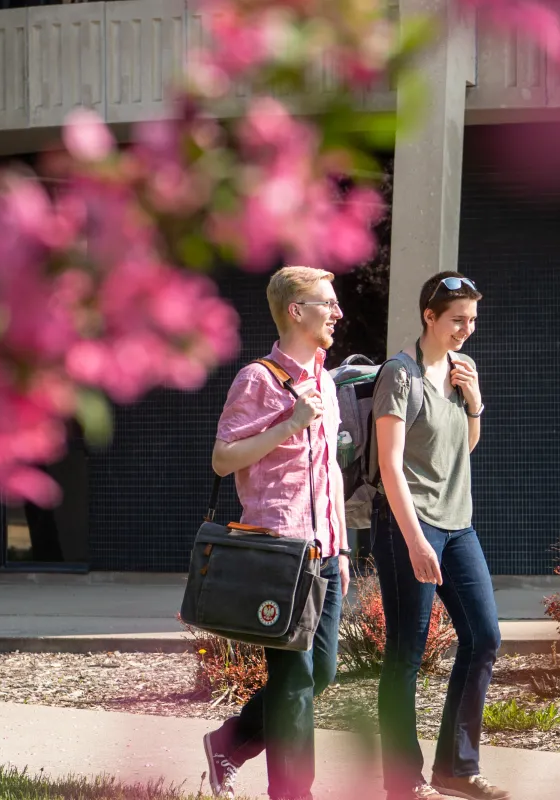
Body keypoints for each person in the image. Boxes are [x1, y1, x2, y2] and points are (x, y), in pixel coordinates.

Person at [202, 266, 350, 800]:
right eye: (327, 304)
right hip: (281, 553)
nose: (337, 313)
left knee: (323, 672)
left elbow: (329, 471)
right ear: (296, 311)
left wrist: (343, 549)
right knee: (294, 683)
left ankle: (231, 742)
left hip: (326, 551)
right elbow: (223, 460)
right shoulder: (258, 380)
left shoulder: (327, 381)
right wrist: (288, 423)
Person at [373, 272, 508, 800]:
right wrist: (415, 540)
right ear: (429, 315)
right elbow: (389, 466)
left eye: (472, 320)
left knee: (484, 638)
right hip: (409, 525)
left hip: (458, 524)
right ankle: (402, 782)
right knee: (406, 652)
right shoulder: (398, 376)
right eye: (457, 320)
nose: (466, 330)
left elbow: (462, 448)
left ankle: (457, 768)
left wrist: (474, 402)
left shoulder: (460, 369)